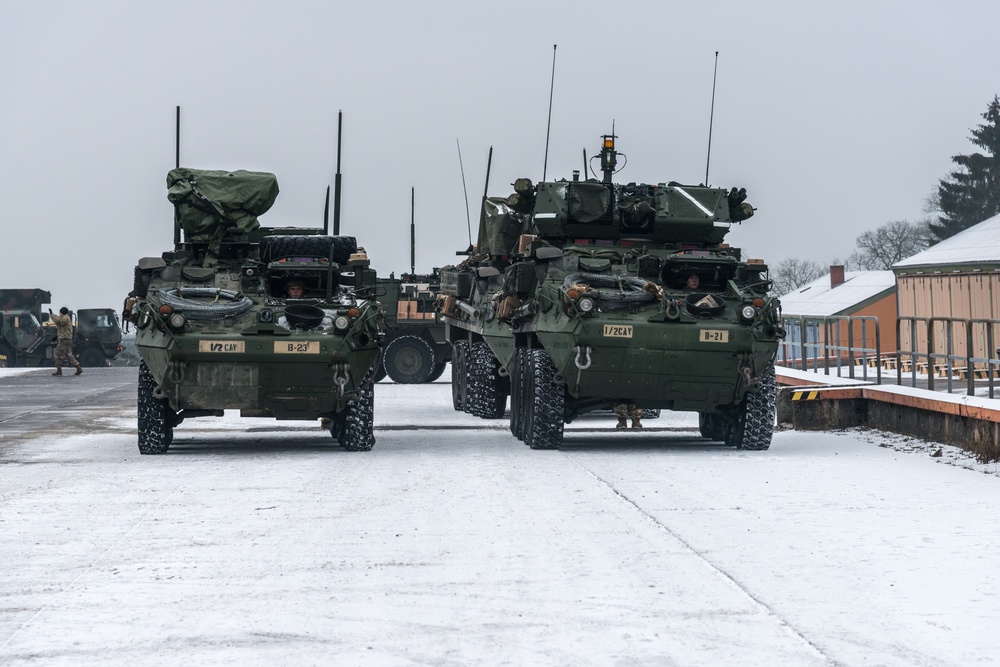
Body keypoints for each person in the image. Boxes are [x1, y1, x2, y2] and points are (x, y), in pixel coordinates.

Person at [49, 307, 82, 376]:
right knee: (69, 355)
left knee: (58, 354)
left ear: (62, 312)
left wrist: (52, 315)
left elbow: (59, 322)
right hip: (66, 339)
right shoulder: (66, 318)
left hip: (64, 339)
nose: (59, 314)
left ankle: (59, 370)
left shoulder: (65, 318)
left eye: (60, 312)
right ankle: (78, 368)